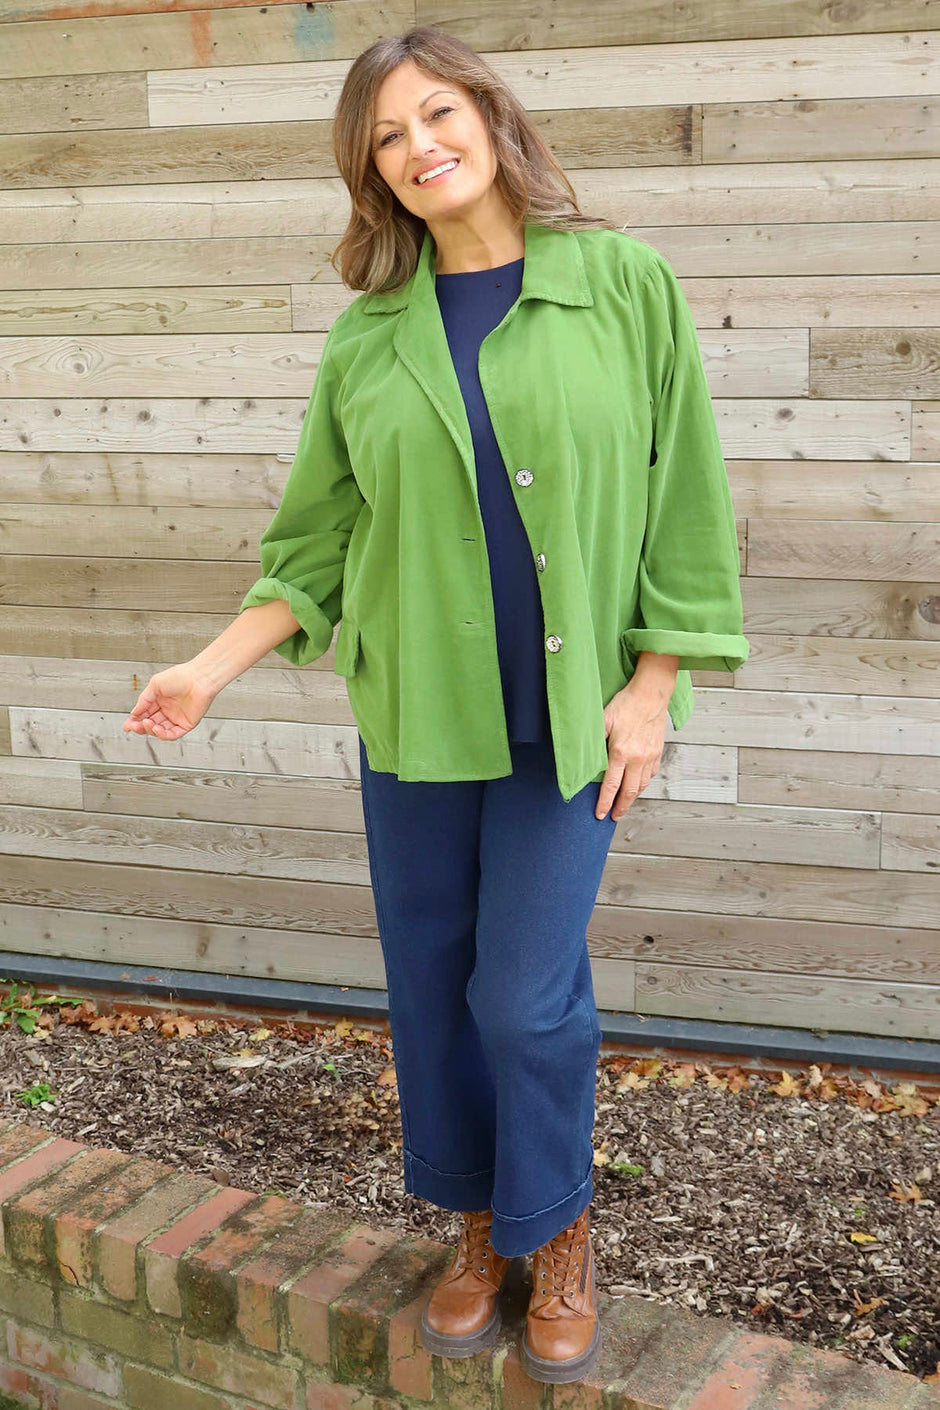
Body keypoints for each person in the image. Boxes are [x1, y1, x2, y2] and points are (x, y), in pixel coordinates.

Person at [122, 25, 749, 1387]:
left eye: (437, 113)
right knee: (434, 986)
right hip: (416, 719)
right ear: (373, 173)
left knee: (522, 994)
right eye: (387, 136)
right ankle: (477, 1228)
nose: (420, 147)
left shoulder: (621, 285)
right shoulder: (369, 340)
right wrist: (208, 668)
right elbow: (314, 543)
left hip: (568, 719)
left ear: (491, 118)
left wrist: (654, 684)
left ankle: (557, 1227)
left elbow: (688, 494)